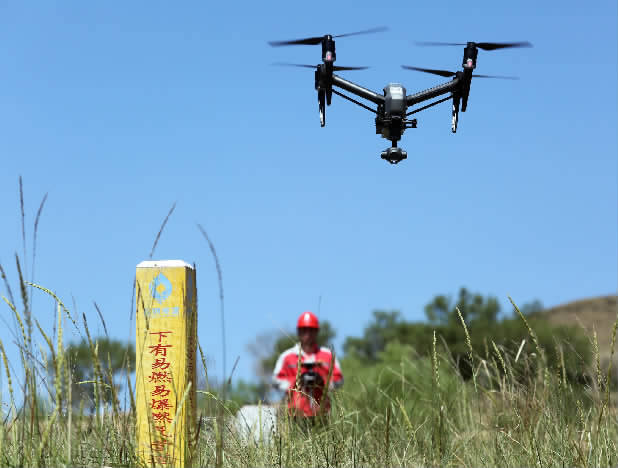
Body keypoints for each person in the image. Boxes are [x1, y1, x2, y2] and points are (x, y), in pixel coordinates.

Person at [272, 311, 343, 419]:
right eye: (304, 330)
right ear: (298, 332)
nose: (307, 334)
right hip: (295, 414)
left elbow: (339, 380)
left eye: (311, 330)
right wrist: (295, 382)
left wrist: (323, 381)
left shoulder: (328, 355)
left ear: (316, 332)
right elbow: (275, 380)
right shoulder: (287, 357)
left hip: (322, 414)